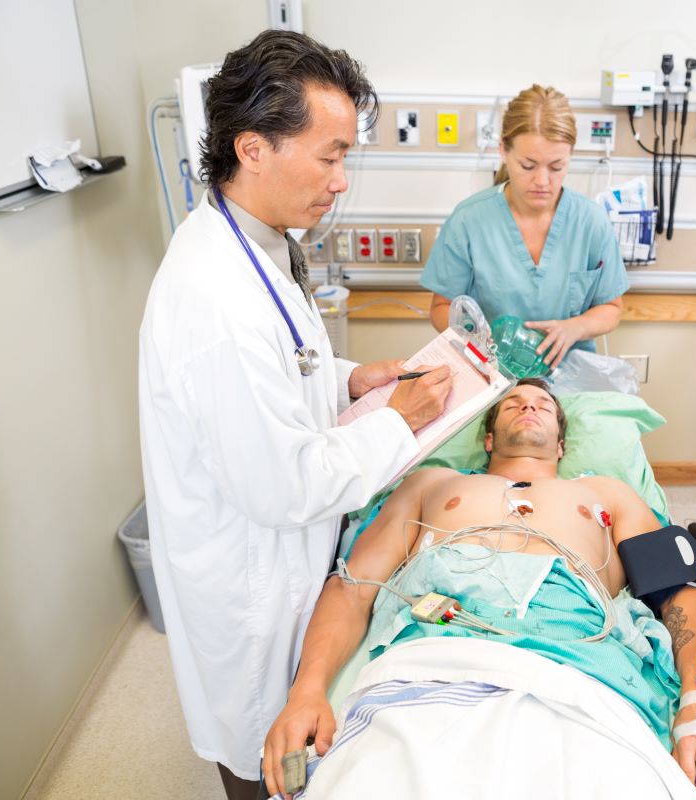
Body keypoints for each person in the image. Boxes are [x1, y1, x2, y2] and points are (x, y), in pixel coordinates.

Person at [138, 31, 453, 798]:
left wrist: (352, 381)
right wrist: (399, 419)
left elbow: (286, 371)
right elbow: (284, 486)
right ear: (253, 149)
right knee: (265, 761)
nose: (341, 180)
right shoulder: (214, 301)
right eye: (329, 155)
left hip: (289, 562)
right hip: (253, 590)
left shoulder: (258, 240)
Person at [263, 380, 696, 800]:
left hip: (576, 664)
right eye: (512, 403)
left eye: (543, 404)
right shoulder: (430, 483)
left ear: (561, 443)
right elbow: (352, 588)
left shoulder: (608, 492)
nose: (528, 406)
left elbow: (679, 592)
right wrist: (306, 691)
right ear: (489, 437)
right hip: (434, 657)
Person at [422, 85, 629, 369]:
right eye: (528, 165)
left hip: (569, 378)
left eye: (556, 167)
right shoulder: (470, 221)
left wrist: (575, 328)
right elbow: (440, 308)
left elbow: (612, 308)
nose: (542, 181)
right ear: (503, 151)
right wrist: (481, 339)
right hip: (490, 375)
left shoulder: (590, 222)